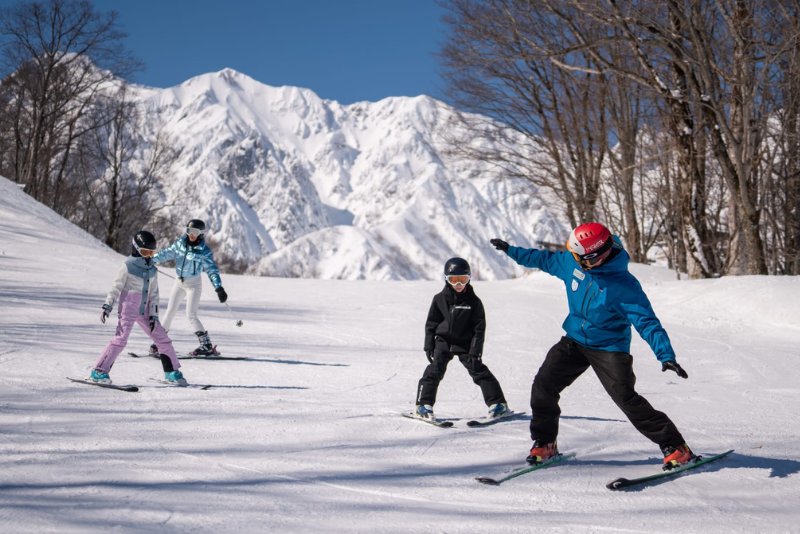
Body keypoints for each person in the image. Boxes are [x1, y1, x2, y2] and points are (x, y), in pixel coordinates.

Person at [490, 222, 694, 470]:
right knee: (543, 385)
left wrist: (666, 355)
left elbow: (647, 322)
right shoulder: (573, 263)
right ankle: (545, 443)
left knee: (626, 398)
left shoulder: (624, 286)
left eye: (580, 257)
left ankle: (676, 447)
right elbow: (543, 259)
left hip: (609, 347)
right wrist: (512, 250)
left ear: (596, 256)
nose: (574, 259)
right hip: (575, 340)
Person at [414, 257, 510, 421]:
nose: (458, 285)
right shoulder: (439, 299)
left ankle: (498, 404)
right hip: (443, 341)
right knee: (434, 370)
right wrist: (429, 345)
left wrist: (476, 351)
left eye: (462, 280)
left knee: (478, 370)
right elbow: (431, 324)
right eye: (454, 280)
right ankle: (423, 405)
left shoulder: (474, 302)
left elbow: (479, 330)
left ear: (469, 279)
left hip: (465, 342)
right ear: (446, 279)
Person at [90, 230, 187, 385]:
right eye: (144, 252)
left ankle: (171, 372)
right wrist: (108, 305)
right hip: (128, 306)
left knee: (162, 338)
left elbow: (154, 294)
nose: (148, 256)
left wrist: (154, 315)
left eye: (151, 252)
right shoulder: (127, 266)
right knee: (120, 339)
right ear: (136, 249)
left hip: (146, 309)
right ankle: (99, 371)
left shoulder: (153, 270)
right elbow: (116, 287)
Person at [150, 219, 228, 356]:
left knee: (191, 314)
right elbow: (166, 253)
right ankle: (160, 342)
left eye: (195, 232)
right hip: (179, 283)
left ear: (201, 234)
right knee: (170, 311)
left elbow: (212, 270)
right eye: (189, 231)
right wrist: (150, 260)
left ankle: (206, 345)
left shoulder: (203, 251)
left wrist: (219, 288)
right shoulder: (180, 244)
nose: (192, 234)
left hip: (193, 285)